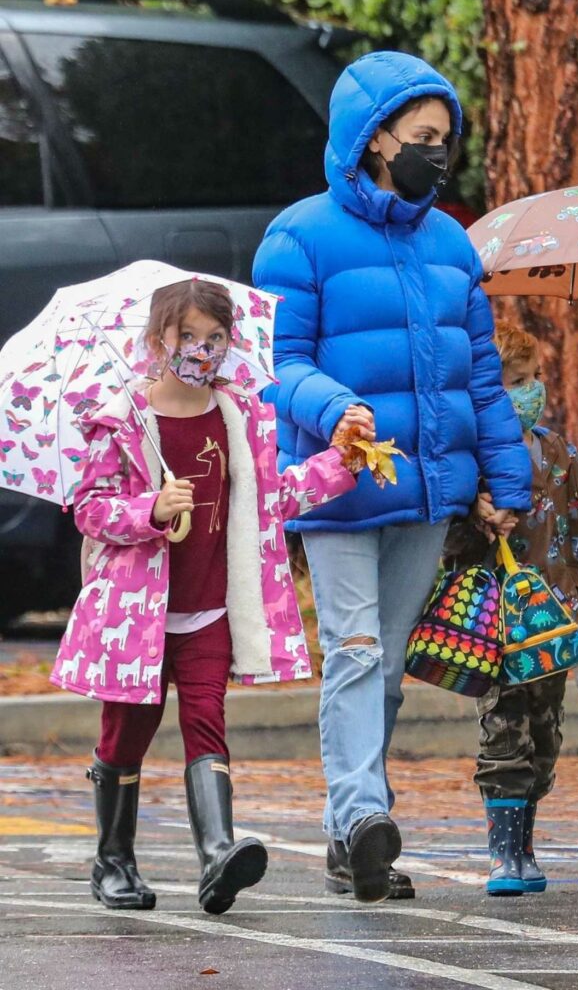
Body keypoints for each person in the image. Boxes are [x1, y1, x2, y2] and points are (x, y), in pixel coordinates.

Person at [253, 51, 532, 904]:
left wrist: (505, 482)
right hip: (340, 486)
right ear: (373, 139)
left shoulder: (450, 242)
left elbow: (479, 377)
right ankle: (362, 816)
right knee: (354, 649)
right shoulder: (299, 236)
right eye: (421, 138)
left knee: (383, 662)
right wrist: (333, 405)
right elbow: (276, 361)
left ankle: (355, 842)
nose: (436, 154)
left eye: (444, 140)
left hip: (427, 491)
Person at [50, 279, 359, 915]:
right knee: (126, 733)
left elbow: (273, 498)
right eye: (186, 336)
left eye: (214, 338)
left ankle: (217, 855)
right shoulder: (122, 419)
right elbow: (89, 508)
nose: (200, 350)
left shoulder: (238, 415)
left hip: (212, 607)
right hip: (137, 617)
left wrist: (342, 463)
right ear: (157, 340)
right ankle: (113, 861)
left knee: (205, 723)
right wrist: (150, 508)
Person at [446, 322, 578, 896]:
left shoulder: (553, 449)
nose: (529, 389)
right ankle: (504, 853)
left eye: (533, 378)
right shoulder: (472, 457)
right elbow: (448, 540)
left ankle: (526, 839)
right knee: (504, 731)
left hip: (553, 618)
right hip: (498, 625)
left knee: (545, 731)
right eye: (514, 381)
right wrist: (476, 514)